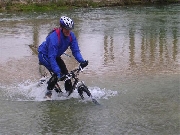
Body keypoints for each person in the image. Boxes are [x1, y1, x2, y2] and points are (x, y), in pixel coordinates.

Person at [38, 16, 88, 98]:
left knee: (67, 75)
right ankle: (48, 93)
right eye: (66, 29)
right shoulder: (54, 38)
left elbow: (75, 51)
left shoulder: (71, 36)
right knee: (57, 73)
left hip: (55, 55)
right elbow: (51, 57)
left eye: (70, 29)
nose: (68, 31)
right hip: (45, 55)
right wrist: (58, 72)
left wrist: (81, 61)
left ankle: (68, 94)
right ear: (61, 27)